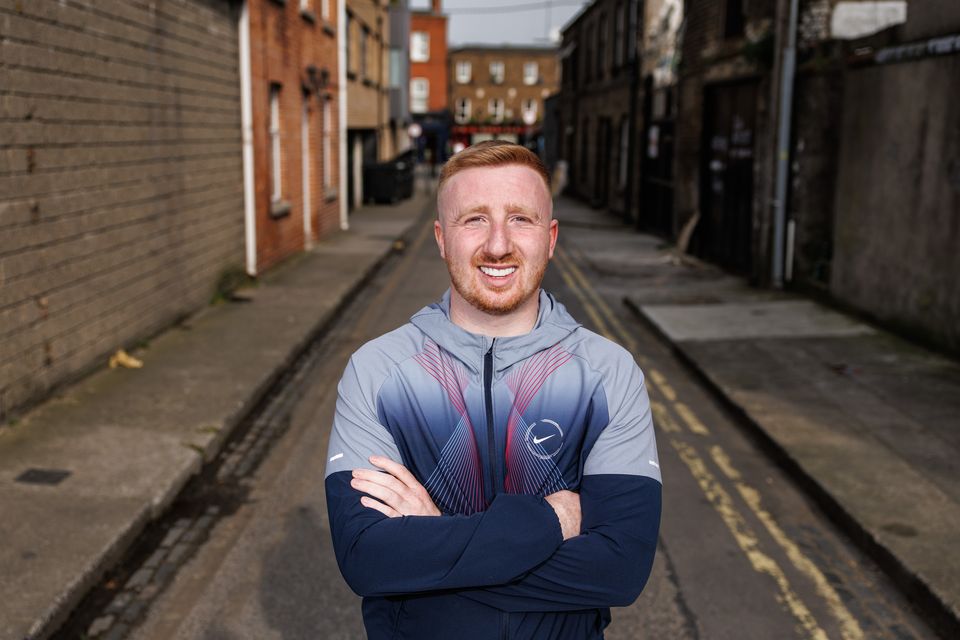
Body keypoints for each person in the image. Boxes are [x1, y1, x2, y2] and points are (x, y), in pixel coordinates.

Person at [325, 141, 662, 640]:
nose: (499, 245)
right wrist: (552, 521)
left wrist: (433, 541)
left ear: (550, 238)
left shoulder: (609, 374)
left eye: (521, 219)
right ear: (441, 238)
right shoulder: (377, 372)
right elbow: (367, 559)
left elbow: (618, 570)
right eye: (474, 219)